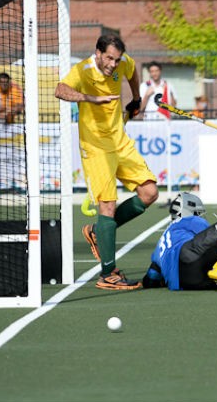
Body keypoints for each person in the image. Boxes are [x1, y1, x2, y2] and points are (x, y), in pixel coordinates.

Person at [55, 34, 159, 290]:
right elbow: (60, 90)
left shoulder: (122, 63)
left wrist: (135, 98)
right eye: (109, 58)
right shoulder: (83, 70)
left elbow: (133, 71)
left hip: (119, 140)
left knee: (149, 192)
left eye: (116, 59)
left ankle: (96, 233)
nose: (113, 64)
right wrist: (90, 98)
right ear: (98, 52)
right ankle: (108, 274)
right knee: (108, 205)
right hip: (96, 146)